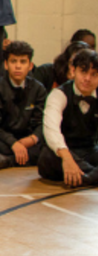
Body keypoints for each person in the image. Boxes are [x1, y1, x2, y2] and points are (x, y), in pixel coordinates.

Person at [37, 48, 98, 188]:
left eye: (94, 74)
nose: (87, 78)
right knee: (47, 157)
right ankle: (92, 176)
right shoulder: (59, 94)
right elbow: (51, 129)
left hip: (89, 151)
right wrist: (67, 157)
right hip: (61, 153)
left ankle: (86, 178)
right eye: (83, 72)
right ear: (73, 71)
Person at [0, 41, 46, 170]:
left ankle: (8, 161)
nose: (18, 66)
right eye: (13, 61)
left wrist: (32, 139)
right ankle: (16, 156)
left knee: (47, 148)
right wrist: (13, 143)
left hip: (27, 140)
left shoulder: (38, 89)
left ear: (30, 66)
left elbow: (42, 122)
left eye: (23, 62)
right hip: (4, 139)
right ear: (6, 65)